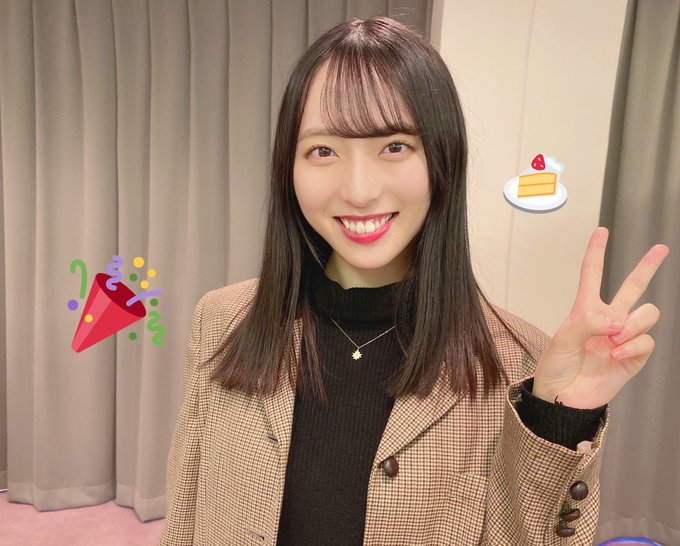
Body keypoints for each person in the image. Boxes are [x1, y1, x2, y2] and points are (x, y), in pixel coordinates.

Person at [159, 16, 669, 546]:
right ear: (289, 168)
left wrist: (557, 421)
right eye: (323, 151)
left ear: (442, 158)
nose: (359, 191)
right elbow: (187, 514)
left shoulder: (520, 365)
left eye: (394, 146)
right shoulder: (222, 319)